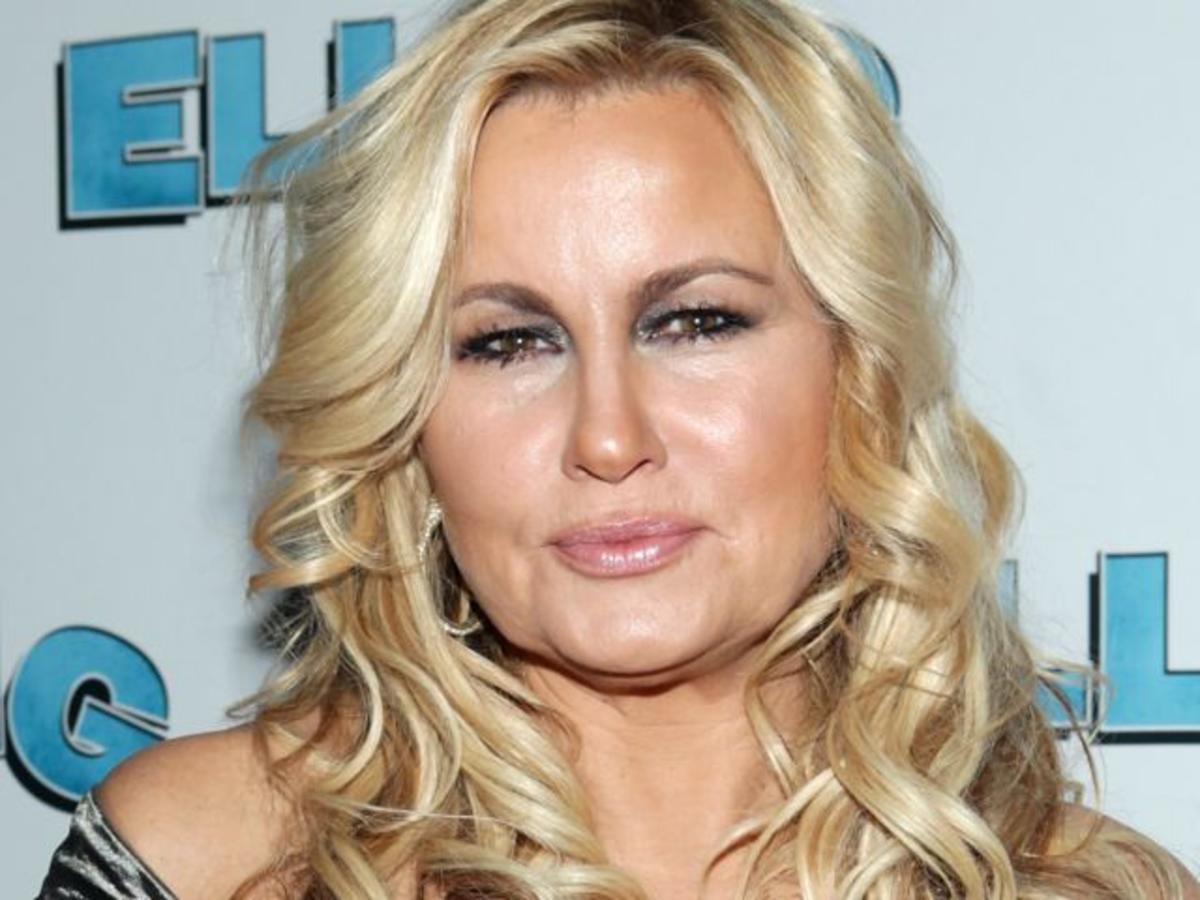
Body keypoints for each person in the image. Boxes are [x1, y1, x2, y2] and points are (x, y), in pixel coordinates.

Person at [38, 0, 1200, 897]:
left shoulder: (1096, 888)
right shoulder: (204, 862)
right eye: (507, 343)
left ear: (859, 373)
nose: (606, 438)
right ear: (404, 425)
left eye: (696, 323)